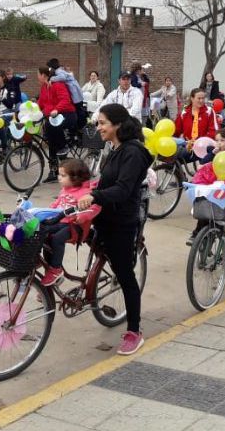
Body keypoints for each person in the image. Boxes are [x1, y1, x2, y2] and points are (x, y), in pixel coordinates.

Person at [77, 104, 153, 355]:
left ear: (117, 125)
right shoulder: (115, 149)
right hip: (104, 216)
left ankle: (134, 331)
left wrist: (94, 195)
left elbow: (122, 190)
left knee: (124, 276)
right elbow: (105, 181)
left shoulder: (134, 153)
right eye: (97, 123)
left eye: (102, 123)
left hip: (122, 221)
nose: (98, 128)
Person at [40, 159, 101, 287]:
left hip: (75, 227)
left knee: (57, 239)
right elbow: (56, 205)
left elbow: (95, 207)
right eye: (59, 174)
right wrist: (45, 213)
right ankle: (44, 263)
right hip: (60, 222)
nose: (59, 178)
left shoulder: (85, 193)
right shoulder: (64, 190)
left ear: (75, 177)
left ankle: (56, 269)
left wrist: (82, 216)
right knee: (41, 230)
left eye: (63, 175)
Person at [37, 67, 78, 182]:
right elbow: (41, 103)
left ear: (44, 75)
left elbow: (65, 100)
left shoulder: (58, 84)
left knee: (51, 127)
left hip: (68, 114)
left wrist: (56, 109)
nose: (37, 77)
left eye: (38, 74)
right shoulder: (44, 87)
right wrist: (33, 110)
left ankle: (63, 147)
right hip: (53, 115)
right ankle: (53, 170)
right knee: (50, 139)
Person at [174, 88, 218, 160]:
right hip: (188, 145)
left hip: (204, 146)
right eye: (199, 98)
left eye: (203, 98)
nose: (201, 101)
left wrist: (201, 141)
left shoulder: (209, 111)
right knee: (173, 157)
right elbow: (177, 129)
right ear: (192, 98)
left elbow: (214, 131)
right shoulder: (184, 112)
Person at [48, 58, 87, 129]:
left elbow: (62, 78)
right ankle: (80, 124)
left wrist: (52, 79)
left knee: (78, 108)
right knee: (78, 108)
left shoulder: (58, 71)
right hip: (74, 89)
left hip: (74, 90)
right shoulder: (60, 70)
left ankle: (82, 125)